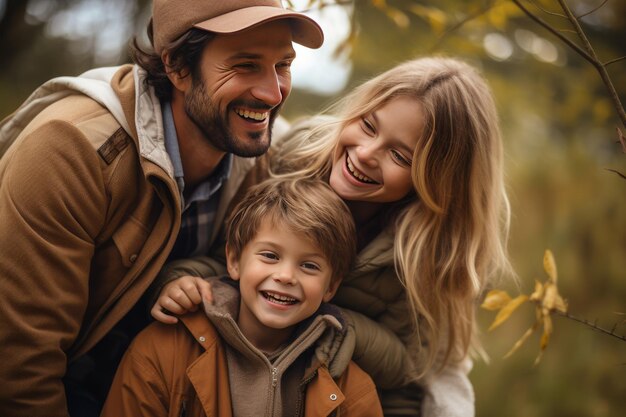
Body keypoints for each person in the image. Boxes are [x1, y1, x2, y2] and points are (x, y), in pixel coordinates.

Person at [0, 1, 323, 416]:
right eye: (245, 65)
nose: (272, 92)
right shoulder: (74, 151)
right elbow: (19, 366)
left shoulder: (253, 162)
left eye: (283, 65)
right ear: (177, 67)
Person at [152, 56, 513, 417]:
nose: (366, 153)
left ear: (434, 182)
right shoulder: (291, 161)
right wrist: (182, 279)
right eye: (369, 126)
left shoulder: (424, 250)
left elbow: (406, 364)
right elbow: (231, 258)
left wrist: (340, 324)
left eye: (400, 156)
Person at [100, 177, 383, 417]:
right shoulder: (162, 351)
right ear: (234, 261)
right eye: (270, 256)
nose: (286, 276)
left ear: (330, 287)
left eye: (309, 266)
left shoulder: (350, 390)